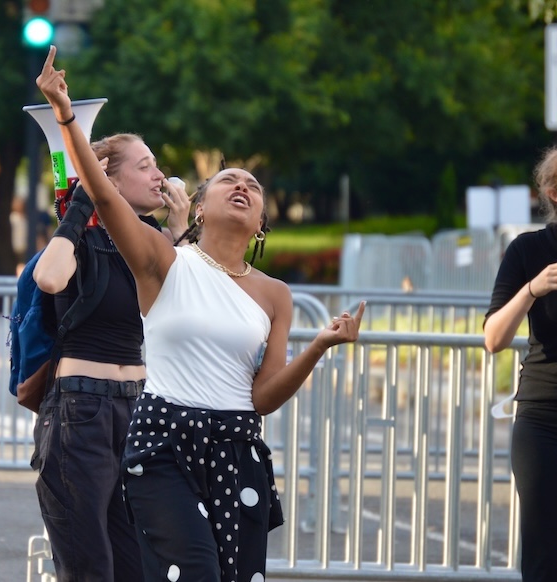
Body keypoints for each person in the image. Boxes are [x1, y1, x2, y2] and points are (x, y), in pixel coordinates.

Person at [37, 45, 366, 582]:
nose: (243, 186)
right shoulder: (163, 260)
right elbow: (99, 190)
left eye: (253, 187)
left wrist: (320, 347)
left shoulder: (275, 295)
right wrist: (64, 114)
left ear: (260, 222)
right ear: (202, 203)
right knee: (194, 574)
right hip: (164, 440)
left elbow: (263, 397)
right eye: (229, 181)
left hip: (237, 446)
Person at [29, 124, 191, 580]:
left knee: (137, 563)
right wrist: (83, 204)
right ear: (111, 181)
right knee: (89, 565)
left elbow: (183, 311)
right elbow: (50, 279)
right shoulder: (82, 234)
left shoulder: (152, 244)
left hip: (137, 409)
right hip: (81, 411)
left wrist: (180, 230)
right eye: (146, 166)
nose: (160, 175)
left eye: (158, 164)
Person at [483, 146, 557, 581]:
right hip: (543, 420)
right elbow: (493, 339)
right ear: (553, 191)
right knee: (544, 556)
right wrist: (531, 289)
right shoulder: (529, 249)